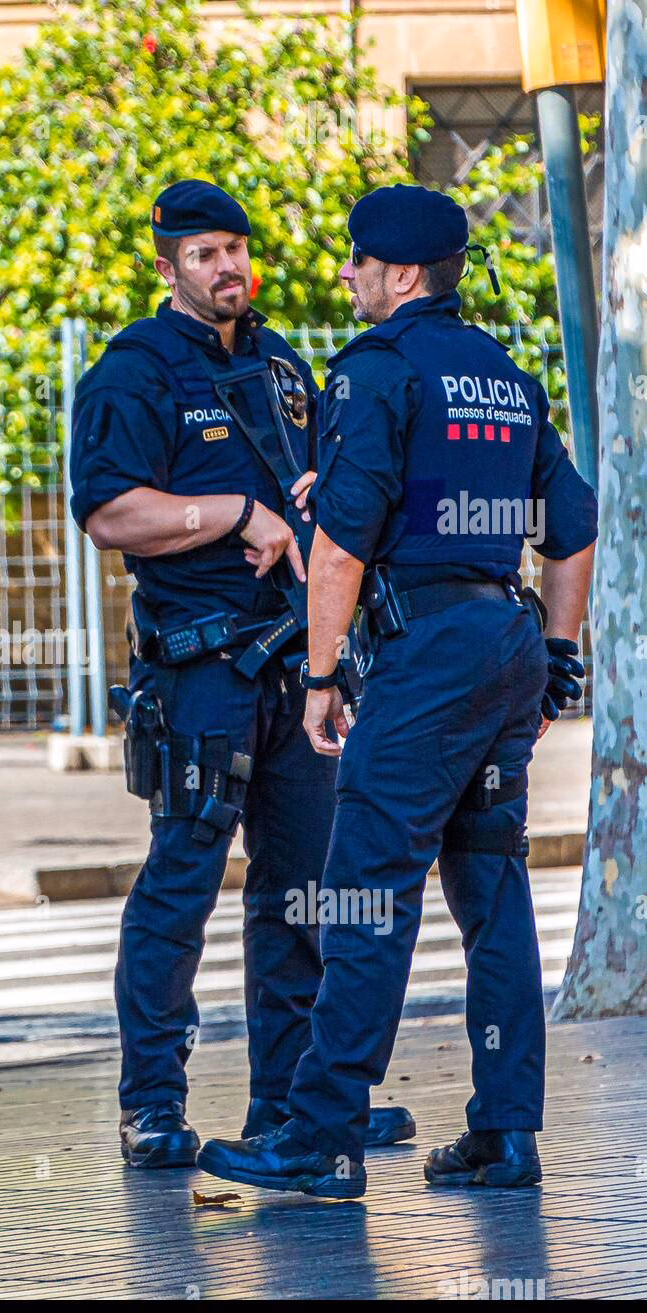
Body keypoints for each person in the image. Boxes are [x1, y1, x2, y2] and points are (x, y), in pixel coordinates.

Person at [196, 183, 597, 1198]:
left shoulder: (376, 372)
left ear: (402, 273)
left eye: (357, 260)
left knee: (367, 885)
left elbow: (340, 548)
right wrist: (554, 653)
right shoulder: (505, 373)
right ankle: (507, 1133)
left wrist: (322, 675)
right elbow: (575, 526)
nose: (345, 273)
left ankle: (322, 1134)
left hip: (422, 661)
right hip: (501, 641)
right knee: (492, 892)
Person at [70, 179, 413, 1169]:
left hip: (296, 666)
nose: (229, 267)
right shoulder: (133, 371)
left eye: (237, 248)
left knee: (301, 888)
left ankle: (293, 1109)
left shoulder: (280, 362)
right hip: (197, 674)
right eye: (207, 252)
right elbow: (106, 513)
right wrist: (231, 513)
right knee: (181, 885)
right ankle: (150, 1107)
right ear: (168, 264)